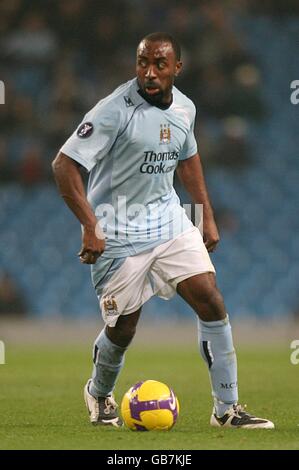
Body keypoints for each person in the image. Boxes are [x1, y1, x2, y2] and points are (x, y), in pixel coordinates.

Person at [52, 32, 274, 429]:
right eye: (142, 63)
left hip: (169, 222)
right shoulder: (114, 110)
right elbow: (63, 164)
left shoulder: (185, 108)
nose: (149, 73)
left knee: (211, 300)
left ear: (176, 68)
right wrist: (89, 225)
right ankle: (99, 392)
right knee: (123, 329)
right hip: (117, 233)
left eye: (158, 64)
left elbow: (188, 158)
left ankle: (227, 409)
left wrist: (204, 214)